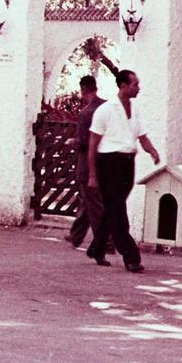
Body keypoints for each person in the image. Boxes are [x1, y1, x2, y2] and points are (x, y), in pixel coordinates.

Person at [86, 69, 160, 273]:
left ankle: (96, 247)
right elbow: (93, 144)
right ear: (123, 86)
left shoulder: (135, 110)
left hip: (127, 163)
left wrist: (152, 151)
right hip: (108, 162)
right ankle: (131, 256)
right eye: (135, 84)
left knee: (113, 208)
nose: (138, 88)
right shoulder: (105, 110)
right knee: (118, 210)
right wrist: (92, 175)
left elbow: (142, 136)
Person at [68, 75, 106, 249]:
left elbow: (84, 142)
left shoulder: (85, 113)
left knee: (95, 205)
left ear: (83, 90)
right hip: (105, 160)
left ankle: (106, 242)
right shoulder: (107, 107)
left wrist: (72, 142)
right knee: (87, 200)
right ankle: (76, 236)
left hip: (87, 164)